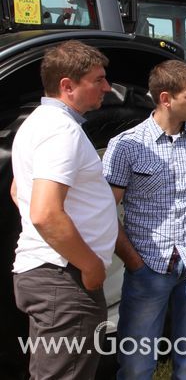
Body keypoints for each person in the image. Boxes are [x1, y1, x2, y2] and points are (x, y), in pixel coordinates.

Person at [102, 60, 186, 379]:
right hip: (147, 267)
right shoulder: (126, 146)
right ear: (165, 98)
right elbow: (105, 210)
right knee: (136, 366)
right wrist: (133, 261)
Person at [11, 40, 117, 380]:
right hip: (64, 278)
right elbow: (44, 212)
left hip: (51, 275)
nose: (107, 87)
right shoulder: (61, 131)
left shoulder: (38, 123)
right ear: (67, 86)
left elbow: (19, 191)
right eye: (98, 80)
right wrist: (90, 266)